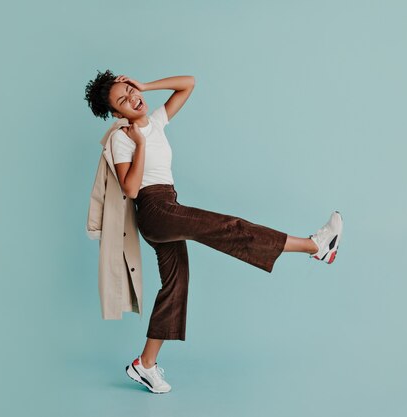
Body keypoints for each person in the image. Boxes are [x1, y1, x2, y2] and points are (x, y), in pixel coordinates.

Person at [84, 69, 343, 394]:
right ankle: (314, 246)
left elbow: (188, 84)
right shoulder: (122, 139)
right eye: (123, 100)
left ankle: (145, 364)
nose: (133, 99)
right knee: (227, 228)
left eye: (130, 90)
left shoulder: (156, 122)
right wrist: (139, 144)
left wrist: (146, 84)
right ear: (115, 113)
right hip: (154, 210)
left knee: (176, 285)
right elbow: (133, 189)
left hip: (169, 203)